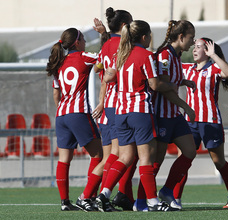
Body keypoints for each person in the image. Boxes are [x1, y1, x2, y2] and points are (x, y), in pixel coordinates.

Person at [96, 20, 179, 212]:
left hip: (120, 111)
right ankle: (153, 202)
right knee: (146, 159)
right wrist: (172, 86)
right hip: (140, 111)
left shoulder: (120, 54)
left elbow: (107, 77)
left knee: (124, 156)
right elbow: (154, 84)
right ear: (144, 37)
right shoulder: (146, 55)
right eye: (149, 35)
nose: (150, 38)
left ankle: (104, 194)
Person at [136, 20, 197, 211]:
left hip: (173, 115)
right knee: (155, 162)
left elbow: (172, 81)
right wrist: (186, 107)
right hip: (162, 115)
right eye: (191, 38)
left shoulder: (176, 56)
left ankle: (167, 190)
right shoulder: (164, 56)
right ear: (180, 37)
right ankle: (139, 201)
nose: (193, 42)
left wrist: (184, 82)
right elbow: (163, 88)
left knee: (190, 151)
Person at [178, 37, 228, 209]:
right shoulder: (186, 68)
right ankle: (175, 198)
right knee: (183, 160)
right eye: (195, 47)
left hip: (210, 121)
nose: (194, 49)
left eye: (199, 47)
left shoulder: (214, 68)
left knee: (218, 161)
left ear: (207, 51)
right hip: (189, 122)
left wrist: (214, 55)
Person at [46, 28, 104, 211]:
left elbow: (56, 93)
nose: (86, 42)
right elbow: (105, 57)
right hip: (78, 113)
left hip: (61, 115)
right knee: (99, 155)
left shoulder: (59, 62)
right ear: (77, 43)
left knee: (64, 160)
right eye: (84, 39)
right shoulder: (84, 56)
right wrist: (104, 35)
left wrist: (64, 111)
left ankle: (65, 202)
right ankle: (88, 196)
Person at [92, 8, 137, 211]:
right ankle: (92, 195)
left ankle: (111, 196)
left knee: (116, 155)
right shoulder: (125, 46)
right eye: (131, 22)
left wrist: (104, 36)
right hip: (121, 104)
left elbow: (97, 68)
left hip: (108, 105)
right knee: (120, 155)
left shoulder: (107, 44)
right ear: (124, 25)